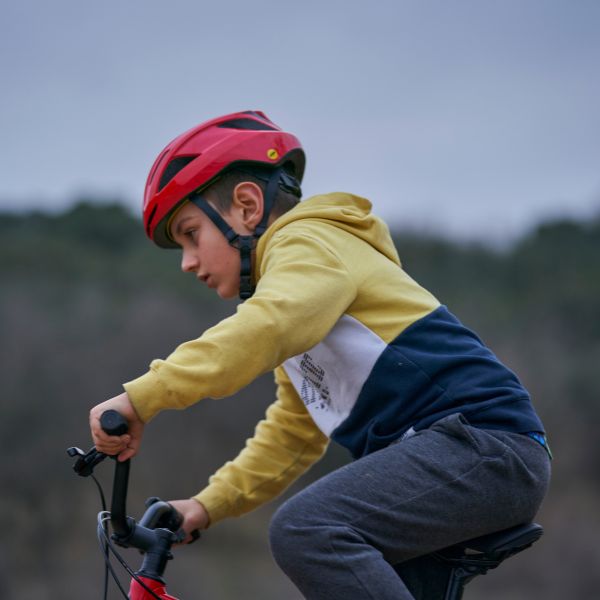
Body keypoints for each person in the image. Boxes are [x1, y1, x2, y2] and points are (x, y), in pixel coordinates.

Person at [90, 110, 551, 599]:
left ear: (247, 206)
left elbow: (265, 327)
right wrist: (207, 505)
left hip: (482, 447)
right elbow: (294, 432)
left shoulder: (307, 242)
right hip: (462, 455)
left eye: (190, 234)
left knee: (308, 530)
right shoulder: (301, 303)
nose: (187, 262)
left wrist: (141, 398)